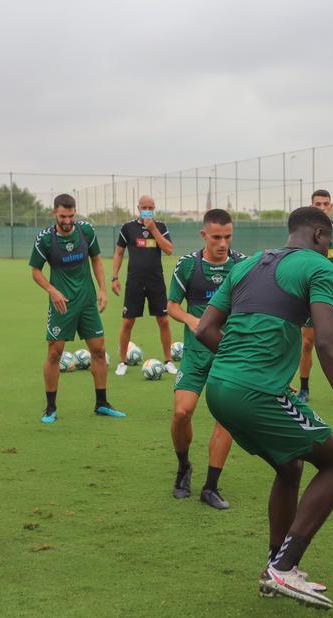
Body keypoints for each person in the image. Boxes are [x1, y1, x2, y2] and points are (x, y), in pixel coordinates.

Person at [196, 206, 333, 610]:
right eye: (329, 241)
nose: (330, 248)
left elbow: (205, 329)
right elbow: (328, 342)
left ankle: (275, 565)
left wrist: (236, 363)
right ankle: (284, 567)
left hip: (218, 386)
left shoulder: (245, 266)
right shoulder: (319, 267)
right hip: (256, 391)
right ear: (319, 235)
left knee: (290, 465)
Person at [167, 208, 244, 509]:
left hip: (229, 354)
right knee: (182, 412)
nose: (222, 243)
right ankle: (184, 466)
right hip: (196, 354)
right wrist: (189, 318)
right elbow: (171, 306)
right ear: (204, 235)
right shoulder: (187, 266)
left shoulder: (241, 265)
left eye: (227, 236)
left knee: (225, 417)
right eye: (216, 237)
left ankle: (211, 486)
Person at [29, 193, 123, 422]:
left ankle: (102, 403)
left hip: (87, 302)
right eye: (63, 216)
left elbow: (97, 260)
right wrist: (53, 291)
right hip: (62, 305)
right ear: (54, 214)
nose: (68, 220)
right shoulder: (45, 239)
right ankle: (50, 408)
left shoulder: (86, 231)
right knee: (54, 353)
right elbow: (35, 272)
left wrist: (102, 290)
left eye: (71, 215)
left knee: (99, 350)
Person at [297, 189, 333, 402]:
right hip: (311, 297)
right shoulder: (303, 233)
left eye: (326, 204)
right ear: (311, 206)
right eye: (318, 204)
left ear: (331, 206)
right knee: (307, 344)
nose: (322, 208)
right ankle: (304, 388)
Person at [111, 195, 177, 376]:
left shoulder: (161, 227)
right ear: (138, 207)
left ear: (154, 208)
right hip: (135, 281)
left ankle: (168, 361)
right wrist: (114, 277)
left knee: (163, 320)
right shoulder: (128, 228)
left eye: (150, 207)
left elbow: (169, 250)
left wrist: (154, 229)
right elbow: (118, 253)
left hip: (156, 281)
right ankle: (123, 362)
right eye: (144, 207)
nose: (147, 209)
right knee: (127, 322)